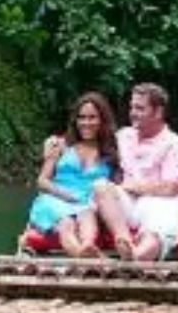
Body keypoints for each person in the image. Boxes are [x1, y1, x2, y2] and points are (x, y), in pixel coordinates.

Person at [93, 83, 178, 261]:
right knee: (100, 186)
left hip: (163, 203)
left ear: (158, 112)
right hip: (129, 202)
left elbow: (170, 189)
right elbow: (89, 144)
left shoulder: (174, 143)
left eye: (139, 108)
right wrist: (58, 143)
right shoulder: (123, 136)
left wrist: (136, 186)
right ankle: (124, 242)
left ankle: (136, 257)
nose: (132, 113)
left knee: (158, 228)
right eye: (132, 107)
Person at [27, 92, 121, 257]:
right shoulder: (61, 145)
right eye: (82, 117)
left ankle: (87, 247)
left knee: (87, 217)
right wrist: (65, 195)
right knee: (66, 223)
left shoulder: (111, 152)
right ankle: (83, 256)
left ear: (102, 120)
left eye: (92, 117)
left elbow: (117, 188)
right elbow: (42, 181)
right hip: (56, 199)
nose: (86, 123)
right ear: (75, 120)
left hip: (87, 203)